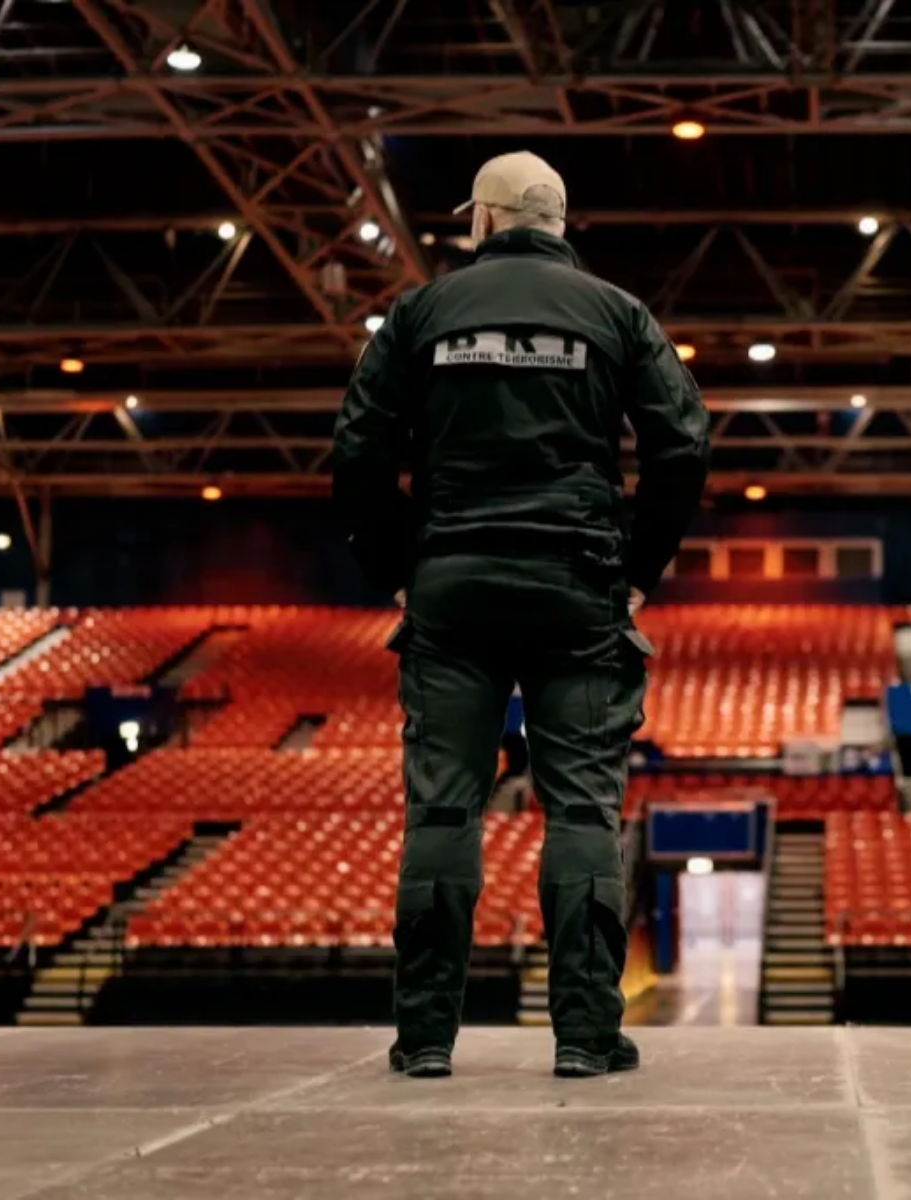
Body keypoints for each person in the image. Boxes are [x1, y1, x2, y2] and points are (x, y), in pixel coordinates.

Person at [332, 151, 710, 1079]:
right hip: (577, 583)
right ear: (560, 222)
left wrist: (397, 571)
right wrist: (639, 569)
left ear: (487, 220)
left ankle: (424, 1038)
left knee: (444, 811)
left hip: (452, 580)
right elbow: (684, 444)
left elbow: (357, 448)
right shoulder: (619, 314)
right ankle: (584, 1034)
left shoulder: (421, 313)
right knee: (582, 808)